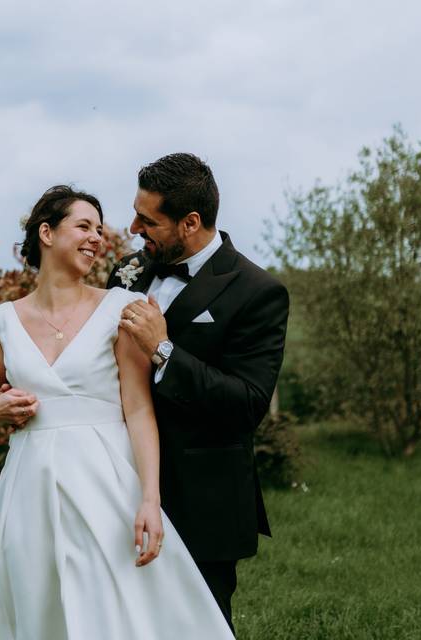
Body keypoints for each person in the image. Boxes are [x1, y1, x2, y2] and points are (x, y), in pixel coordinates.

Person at [0, 185, 234, 639]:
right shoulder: (0, 321)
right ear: (46, 232)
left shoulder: (121, 309)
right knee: (36, 604)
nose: (96, 238)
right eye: (83, 226)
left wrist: (149, 499)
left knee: (111, 610)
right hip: (29, 486)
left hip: (106, 483)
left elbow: (139, 410)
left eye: (99, 230)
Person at [105, 152, 289, 631]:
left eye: (148, 220)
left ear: (190, 222)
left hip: (204, 499)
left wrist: (163, 350)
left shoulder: (257, 292)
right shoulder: (126, 273)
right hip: (119, 484)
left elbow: (246, 404)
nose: (133, 228)